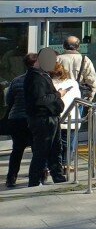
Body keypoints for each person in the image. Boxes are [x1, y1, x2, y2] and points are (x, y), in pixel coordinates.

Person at [24, 48, 68, 186]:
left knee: (55, 149)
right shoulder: (35, 77)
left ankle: (58, 177)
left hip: (50, 117)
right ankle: (34, 181)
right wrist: (58, 95)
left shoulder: (42, 74)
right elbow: (40, 100)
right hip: (43, 118)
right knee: (42, 151)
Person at [3, 55, 34, 188]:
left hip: (15, 118)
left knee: (17, 150)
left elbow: (9, 100)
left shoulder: (16, 80)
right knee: (37, 149)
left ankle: (11, 177)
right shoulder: (41, 80)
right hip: (33, 119)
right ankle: (37, 175)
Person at [51, 59, 81, 175]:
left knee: (55, 143)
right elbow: (77, 98)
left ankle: (54, 165)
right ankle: (67, 164)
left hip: (56, 117)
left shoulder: (48, 82)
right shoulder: (73, 82)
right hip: (71, 117)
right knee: (68, 143)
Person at [58, 36, 96, 102]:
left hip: (60, 96)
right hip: (78, 98)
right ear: (78, 47)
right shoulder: (85, 60)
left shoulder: (57, 59)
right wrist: (90, 98)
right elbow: (92, 81)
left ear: (64, 46)